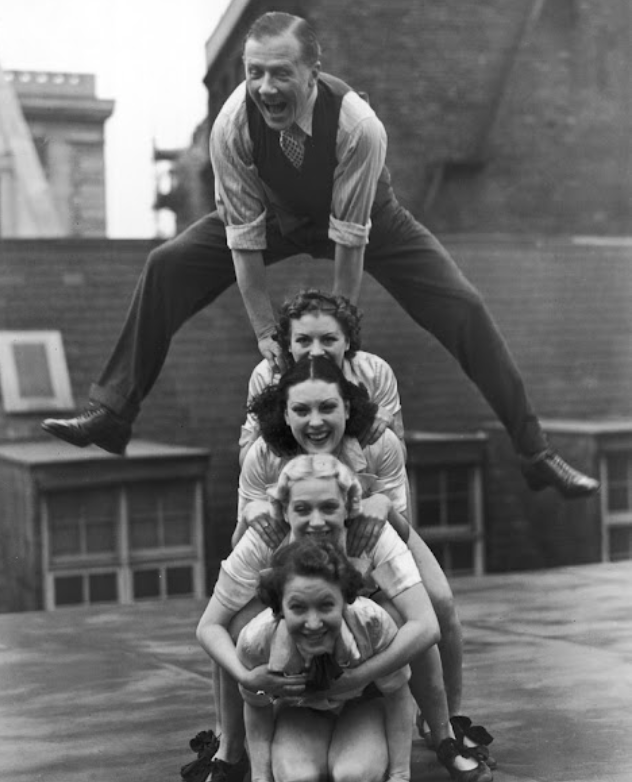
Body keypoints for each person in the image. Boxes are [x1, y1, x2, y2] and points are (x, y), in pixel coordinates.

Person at [41, 11, 598, 499]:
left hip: (370, 222)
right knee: (166, 265)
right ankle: (113, 414)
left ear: (311, 72)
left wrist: (338, 336)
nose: (264, 86)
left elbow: (349, 244)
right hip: (278, 217)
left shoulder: (359, 127)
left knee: (465, 307)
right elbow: (243, 240)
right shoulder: (232, 125)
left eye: (281, 73)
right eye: (254, 72)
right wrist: (265, 330)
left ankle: (535, 452)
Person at [196, 453, 492, 782]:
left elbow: (426, 626)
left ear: (349, 506)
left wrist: (358, 677)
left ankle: (443, 736)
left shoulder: (368, 539)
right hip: (299, 694)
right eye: (303, 509)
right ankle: (231, 750)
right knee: (297, 775)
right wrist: (248, 677)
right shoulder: (264, 539)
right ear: (284, 511)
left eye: (329, 508)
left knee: (355, 772)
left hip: (361, 675)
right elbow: (210, 626)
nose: (317, 522)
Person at [237, 538, 415, 782]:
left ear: (344, 599)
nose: (313, 623)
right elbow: (256, 706)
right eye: (298, 607)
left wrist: (400, 775)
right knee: (298, 778)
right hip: (300, 711)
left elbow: (398, 695)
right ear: (279, 607)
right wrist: (260, 777)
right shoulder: (256, 639)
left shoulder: (371, 622)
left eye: (326, 605)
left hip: (361, 706)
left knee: (353, 775)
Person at [239, 288, 406, 466]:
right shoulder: (267, 375)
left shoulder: (374, 372)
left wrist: (387, 427)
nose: (316, 352)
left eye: (328, 339)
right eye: (304, 340)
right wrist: (266, 428)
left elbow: (400, 458)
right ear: (288, 344)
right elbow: (246, 460)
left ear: (347, 341)